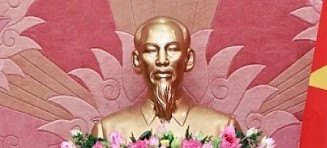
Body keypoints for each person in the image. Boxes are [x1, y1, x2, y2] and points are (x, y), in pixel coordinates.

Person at [91, 15, 239, 139]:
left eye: (172, 50)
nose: (162, 60)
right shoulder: (107, 131)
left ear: (188, 59)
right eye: (151, 51)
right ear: (137, 60)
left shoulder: (223, 129)